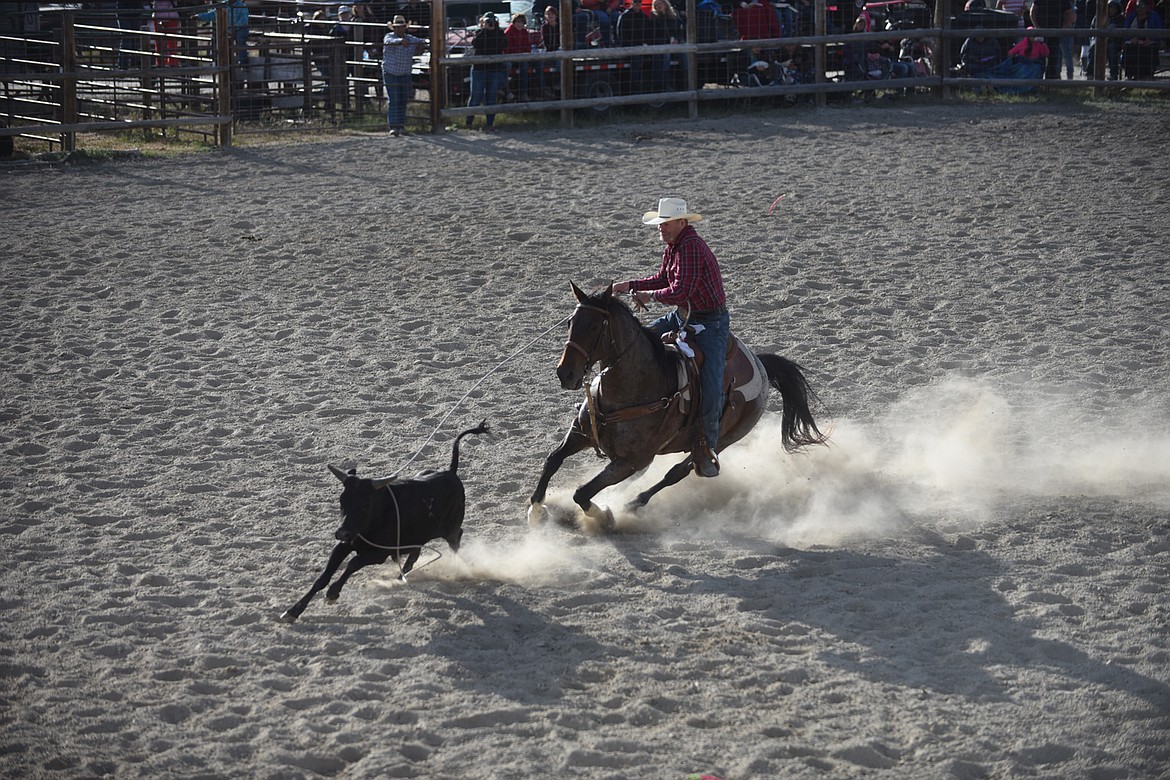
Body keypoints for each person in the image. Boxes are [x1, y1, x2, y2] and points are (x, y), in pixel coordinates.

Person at [612, 198, 728, 479]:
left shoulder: (691, 247)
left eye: (665, 224)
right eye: (660, 224)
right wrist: (631, 285)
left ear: (681, 223)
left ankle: (707, 449)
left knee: (711, 389)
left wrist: (648, 295)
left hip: (710, 324)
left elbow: (679, 291)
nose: (661, 228)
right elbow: (664, 277)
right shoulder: (674, 247)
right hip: (683, 316)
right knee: (637, 346)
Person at [382, 14, 425, 135]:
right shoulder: (389, 37)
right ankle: (394, 126)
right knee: (395, 99)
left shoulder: (410, 39)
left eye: (401, 26)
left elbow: (422, 42)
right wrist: (401, 41)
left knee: (403, 99)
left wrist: (422, 45)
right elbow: (389, 41)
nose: (399, 29)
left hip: (404, 73)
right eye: (397, 27)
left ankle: (400, 125)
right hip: (391, 72)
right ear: (394, 28)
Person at [466, 13, 508, 129]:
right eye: (487, 22)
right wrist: (485, 30)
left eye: (492, 22)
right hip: (479, 69)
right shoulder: (479, 33)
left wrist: (494, 30)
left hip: (494, 69)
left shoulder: (499, 33)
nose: (490, 24)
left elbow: (503, 45)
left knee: (491, 97)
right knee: (476, 96)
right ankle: (469, 122)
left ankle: (490, 123)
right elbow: (476, 44)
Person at [1029, 0, 1075, 78]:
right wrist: (1037, 27)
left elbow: (1070, 14)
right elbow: (1032, 12)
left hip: (1055, 34)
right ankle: (1037, 81)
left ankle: (1050, 83)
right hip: (1042, 34)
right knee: (1039, 60)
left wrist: (1063, 29)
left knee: (1053, 60)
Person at [196, 0, 249, 66]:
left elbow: (244, 21)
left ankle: (243, 62)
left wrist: (233, 28)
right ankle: (222, 61)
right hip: (230, 28)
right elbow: (213, 14)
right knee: (220, 39)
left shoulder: (241, 6)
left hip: (240, 28)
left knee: (240, 40)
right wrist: (199, 16)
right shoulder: (224, 4)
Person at [1123, 0, 1164, 78]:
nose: (1139, 9)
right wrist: (1132, 39)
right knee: (1130, 48)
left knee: (1150, 48)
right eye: (1137, 7)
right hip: (1134, 41)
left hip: (1149, 41)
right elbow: (1125, 30)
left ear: (1147, 7)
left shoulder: (1154, 16)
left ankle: (1148, 74)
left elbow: (1160, 30)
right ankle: (1130, 74)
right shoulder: (1131, 16)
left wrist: (1152, 40)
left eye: (1142, 6)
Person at [503, 13, 534, 101]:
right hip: (511, 57)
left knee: (536, 63)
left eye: (522, 22)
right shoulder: (508, 32)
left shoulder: (524, 32)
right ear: (513, 22)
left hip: (522, 57)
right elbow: (507, 48)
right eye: (517, 22)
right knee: (516, 65)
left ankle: (535, 90)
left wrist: (525, 53)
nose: (519, 24)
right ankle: (514, 91)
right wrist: (520, 53)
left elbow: (528, 46)